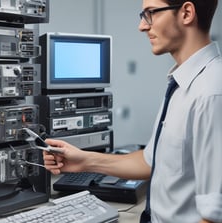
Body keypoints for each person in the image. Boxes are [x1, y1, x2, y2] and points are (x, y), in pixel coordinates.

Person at [42, 0, 222, 223]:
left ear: (186, 13)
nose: (142, 26)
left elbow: (214, 215)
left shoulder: (211, 93)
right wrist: (84, 160)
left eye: (150, 13)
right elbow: (150, 161)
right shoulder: (183, 84)